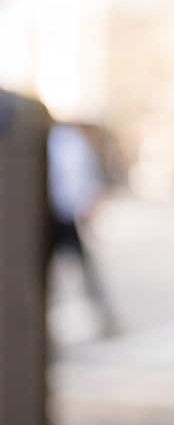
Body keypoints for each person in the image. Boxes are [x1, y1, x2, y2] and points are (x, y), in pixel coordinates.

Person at [47, 121, 120, 337]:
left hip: (67, 216)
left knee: (86, 272)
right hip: (55, 216)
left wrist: (87, 204)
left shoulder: (69, 141)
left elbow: (83, 179)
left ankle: (105, 320)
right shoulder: (62, 140)